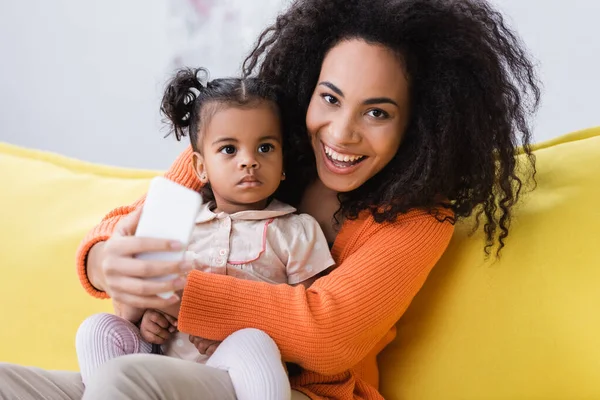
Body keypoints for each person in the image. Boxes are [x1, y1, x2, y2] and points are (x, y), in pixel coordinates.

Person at [0, 0, 540, 399]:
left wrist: (172, 293)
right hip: (176, 368)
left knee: (124, 381)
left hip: (291, 391)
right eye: (329, 99)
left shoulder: (420, 218)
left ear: (420, 124)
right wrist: (101, 260)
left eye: (376, 112)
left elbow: (329, 334)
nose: (342, 132)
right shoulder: (257, 151)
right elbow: (143, 215)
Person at [74, 70, 335, 400]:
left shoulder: (296, 230)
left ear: (283, 163)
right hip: (159, 363)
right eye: (229, 150)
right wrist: (148, 322)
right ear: (200, 167)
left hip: (234, 365)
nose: (249, 162)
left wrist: (229, 328)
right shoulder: (177, 221)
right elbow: (140, 292)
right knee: (96, 329)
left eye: (265, 147)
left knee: (254, 343)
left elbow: (306, 321)